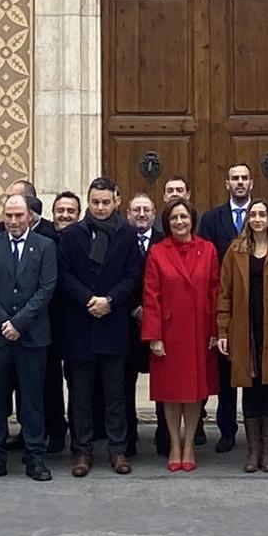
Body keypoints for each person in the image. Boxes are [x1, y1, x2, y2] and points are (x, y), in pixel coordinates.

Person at [56, 177, 141, 477]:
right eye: (95, 202)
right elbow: (63, 276)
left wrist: (110, 301)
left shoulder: (128, 235)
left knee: (116, 395)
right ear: (88, 202)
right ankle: (82, 451)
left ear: (116, 201)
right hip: (80, 325)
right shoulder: (70, 236)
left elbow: (133, 276)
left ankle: (117, 450)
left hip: (114, 325)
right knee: (80, 396)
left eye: (106, 202)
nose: (101, 207)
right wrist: (88, 299)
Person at [0, 193, 57, 483]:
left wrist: (19, 322)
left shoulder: (45, 246)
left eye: (19, 215)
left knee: (32, 399)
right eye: (8, 215)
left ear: (29, 217)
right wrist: (4, 322)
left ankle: (35, 457)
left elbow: (46, 289)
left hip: (32, 336)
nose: (13, 221)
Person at [215, 199, 268, 473]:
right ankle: (252, 450)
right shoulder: (235, 250)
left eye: (261, 214)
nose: (256, 219)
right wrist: (223, 330)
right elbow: (224, 293)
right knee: (249, 387)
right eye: (252, 214)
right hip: (245, 328)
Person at [143, 196, 218, 473]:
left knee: (195, 392)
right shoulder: (157, 252)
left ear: (192, 220)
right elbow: (151, 295)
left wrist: (215, 330)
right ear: (167, 222)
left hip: (198, 330)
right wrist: (154, 335)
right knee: (171, 392)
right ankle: (174, 443)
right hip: (169, 332)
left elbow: (215, 290)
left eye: (184, 217)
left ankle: (189, 444)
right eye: (174, 218)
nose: (179, 222)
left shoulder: (208, 250)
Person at [197, 164, 259, 456]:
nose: (239, 183)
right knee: (225, 374)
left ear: (251, 183)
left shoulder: (262, 215)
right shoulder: (211, 219)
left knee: (254, 371)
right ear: (226, 184)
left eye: (244, 178)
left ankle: (256, 431)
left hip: (256, 303)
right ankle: (226, 431)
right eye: (235, 178)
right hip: (224, 300)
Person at [126, 192, 161, 456]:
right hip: (127, 324)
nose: (141, 214)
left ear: (154, 213)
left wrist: (152, 311)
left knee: (163, 382)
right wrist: (135, 308)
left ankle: (165, 437)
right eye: (136, 209)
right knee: (124, 384)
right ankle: (128, 437)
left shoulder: (164, 241)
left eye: (146, 210)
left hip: (160, 324)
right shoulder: (121, 241)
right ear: (128, 213)